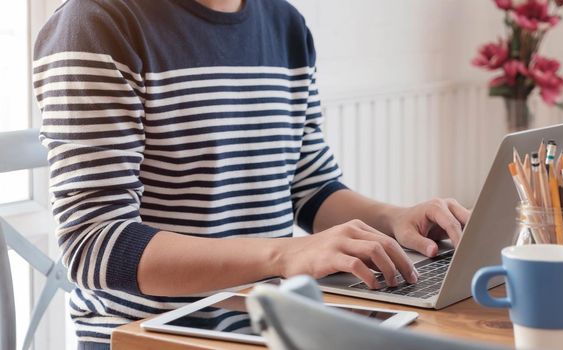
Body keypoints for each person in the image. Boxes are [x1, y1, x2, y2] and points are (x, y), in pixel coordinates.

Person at [33, 0, 470, 348]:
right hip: (154, 334)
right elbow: (95, 246)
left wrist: (394, 219)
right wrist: (282, 256)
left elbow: (310, 185)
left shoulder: (286, 25)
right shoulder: (96, 23)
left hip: (270, 325)